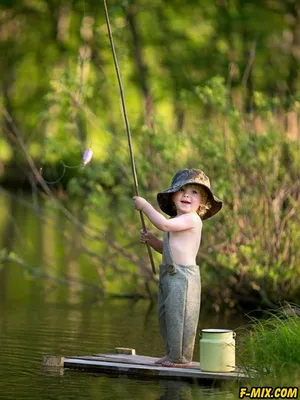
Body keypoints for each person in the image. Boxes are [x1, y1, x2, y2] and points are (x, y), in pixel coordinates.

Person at [133, 168, 222, 368]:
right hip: (168, 273)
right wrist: (152, 240)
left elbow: (163, 225)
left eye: (194, 192)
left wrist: (145, 206)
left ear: (203, 203)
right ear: (173, 197)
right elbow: (166, 249)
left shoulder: (192, 220)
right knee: (167, 317)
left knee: (181, 317)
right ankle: (171, 353)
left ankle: (182, 358)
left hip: (184, 277)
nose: (187, 195)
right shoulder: (175, 221)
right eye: (182, 190)